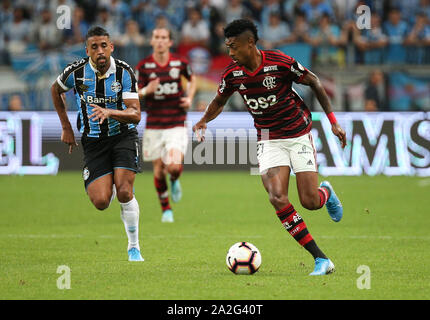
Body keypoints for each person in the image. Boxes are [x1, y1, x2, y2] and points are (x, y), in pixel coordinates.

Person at [193, 19, 346, 276]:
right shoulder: (233, 74)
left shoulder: (280, 63)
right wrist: (202, 120)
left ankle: (325, 193)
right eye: (227, 47)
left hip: (298, 134)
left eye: (233, 47)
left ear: (249, 43)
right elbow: (219, 101)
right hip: (268, 137)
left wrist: (333, 122)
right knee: (277, 197)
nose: (229, 53)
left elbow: (316, 82)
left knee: (310, 202)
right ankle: (321, 259)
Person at [50, 26, 144, 262]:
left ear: (111, 47)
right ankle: (108, 181)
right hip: (93, 141)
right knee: (101, 202)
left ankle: (134, 247)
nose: (100, 51)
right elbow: (55, 89)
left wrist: (109, 112)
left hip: (123, 136)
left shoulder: (124, 72)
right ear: (87, 50)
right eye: (95, 47)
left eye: (104, 45)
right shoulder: (77, 72)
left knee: (125, 191)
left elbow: (135, 114)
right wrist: (66, 127)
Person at [135, 27, 196, 223]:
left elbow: (192, 80)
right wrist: (145, 91)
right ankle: (166, 209)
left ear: (170, 42)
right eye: (156, 37)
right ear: (151, 41)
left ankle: (176, 180)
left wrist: (189, 98)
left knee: (173, 167)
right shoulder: (143, 67)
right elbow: (133, 94)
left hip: (176, 122)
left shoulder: (180, 62)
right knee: (159, 170)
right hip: (154, 124)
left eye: (163, 38)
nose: (160, 41)